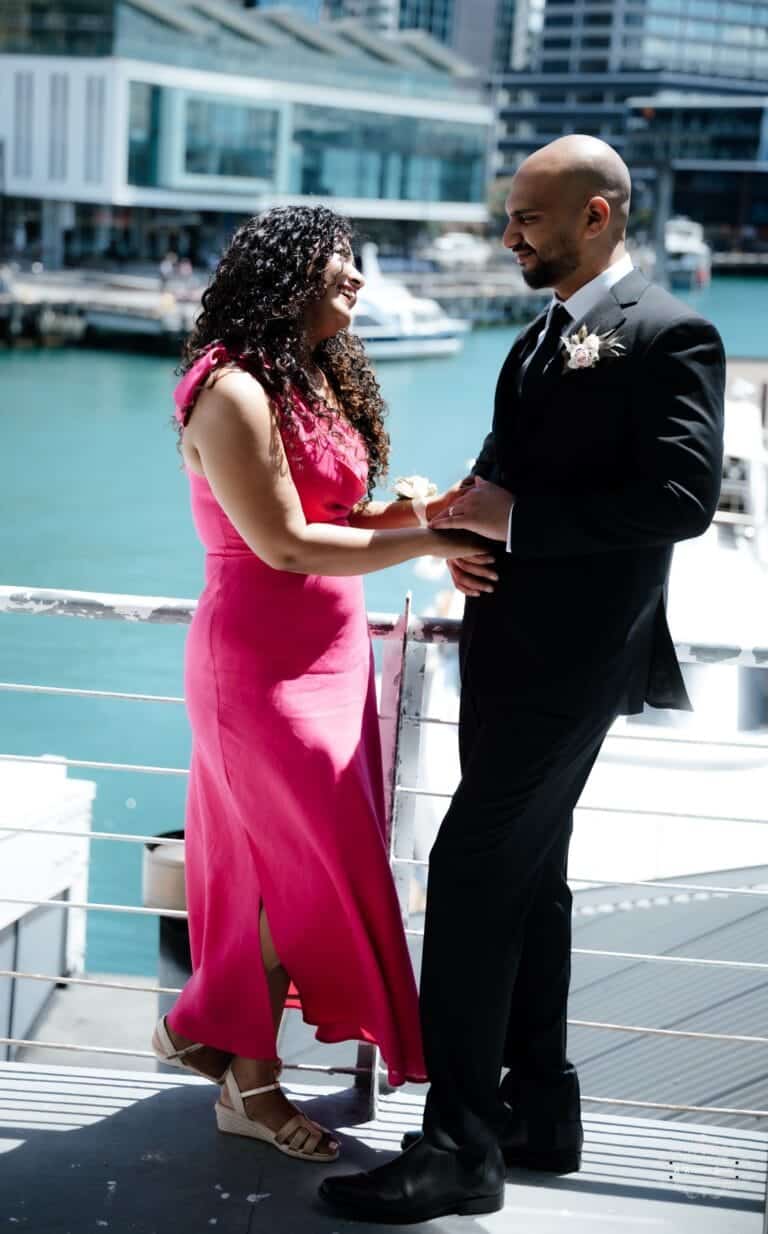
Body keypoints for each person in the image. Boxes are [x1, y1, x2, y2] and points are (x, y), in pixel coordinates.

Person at [320, 136, 725, 1220]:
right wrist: (454, 520)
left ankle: (458, 1146)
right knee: (533, 879)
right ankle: (538, 1109)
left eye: (528, 218)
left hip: (579, 660)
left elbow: (683, 500)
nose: (508, 236)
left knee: (466, 876)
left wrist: (520, 519)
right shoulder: (537, 339)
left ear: (597, 216)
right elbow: (503, 473)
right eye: (510, 216)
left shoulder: (673, 334)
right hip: (507, 647)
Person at [151, 205, 490, 1164]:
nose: (357, 282)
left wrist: (423, 511)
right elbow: (286, 543)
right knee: (280, 876)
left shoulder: (307, 379)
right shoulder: (232, 391)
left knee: (301, 867)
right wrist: (431, 541)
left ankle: (202, 1034)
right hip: (259, 662)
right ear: (290, 272)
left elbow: (336, 514)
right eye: (342, 266)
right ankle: (241, 1081)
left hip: (335, 651)